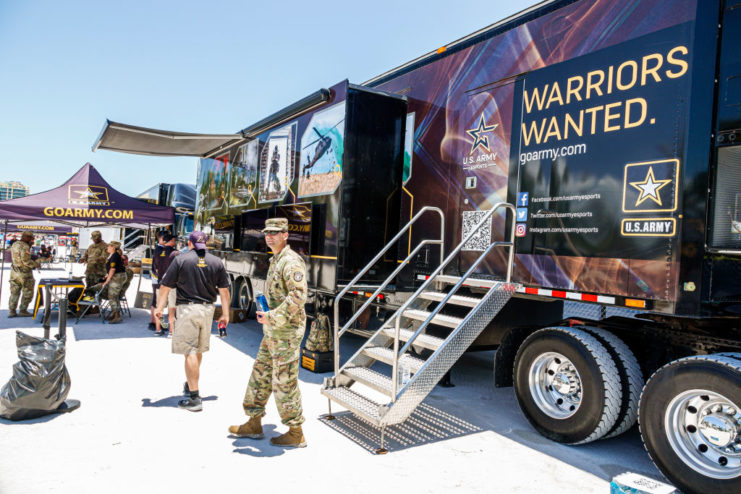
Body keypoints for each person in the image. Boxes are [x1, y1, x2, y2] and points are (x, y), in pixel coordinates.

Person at [229, 217, 308, 448]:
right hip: (273, 330)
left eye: (275, 232)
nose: (269, 236)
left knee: (284, 380)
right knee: (261, 374)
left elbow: (297, 297)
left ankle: (296, 432)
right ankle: (254, 422)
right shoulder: (276, 260)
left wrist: (272, 317)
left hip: (286, 332)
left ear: (286, 235)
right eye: (267, 232)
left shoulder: (291, 262)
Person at [155, 231, 230, 412]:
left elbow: (165, 286)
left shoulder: (181, 260)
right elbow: (224, 290)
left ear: (189, 243)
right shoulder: (216, 261)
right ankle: (190, 384)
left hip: (187, 309)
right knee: (197, 350)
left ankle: (194, 398)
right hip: (207, 310)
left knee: (189, 350)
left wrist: (159, 308)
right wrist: (225, 314)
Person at [152, 233, 180, 336]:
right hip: (172, 285)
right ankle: (171, 331)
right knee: (172, 308)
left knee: (159, 308)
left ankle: (158, 329)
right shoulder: (176, 253)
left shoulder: (157, 252)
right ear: (171, 241)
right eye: (174, 240)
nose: (175, 242)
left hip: (160, 284)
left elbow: (156, 268)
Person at [8, 231, 41, 318]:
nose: (32, 240)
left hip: (14, 272)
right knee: (28, 292)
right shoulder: (25, 246)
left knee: (14, 292)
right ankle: (23, 310)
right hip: (24, 273)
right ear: (26, 237)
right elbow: (26, 261)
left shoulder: (15, 244)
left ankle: (12, 311)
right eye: (31, 238)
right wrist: (36, 264)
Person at [96, 241, 127, 324]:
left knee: (112, 296)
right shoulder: (113, 255)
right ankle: (115, 314)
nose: (107, 247)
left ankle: (117, 316)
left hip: (117, 278)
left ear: (113, 247)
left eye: (109, 246)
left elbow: (112, 269)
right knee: (114, 296)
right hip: (117, 277)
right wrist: (106, 277)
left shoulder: (114, 256)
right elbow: (110, 269)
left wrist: (107, 281)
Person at [149, 232, 166, 330]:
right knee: (157, 301)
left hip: (156, 278)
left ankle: (154, 321)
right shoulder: (159, 250)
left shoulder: (159, 249)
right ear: (161, 239)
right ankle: (154, 322)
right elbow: (157, 267)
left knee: (156, 301)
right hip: (157, 279)